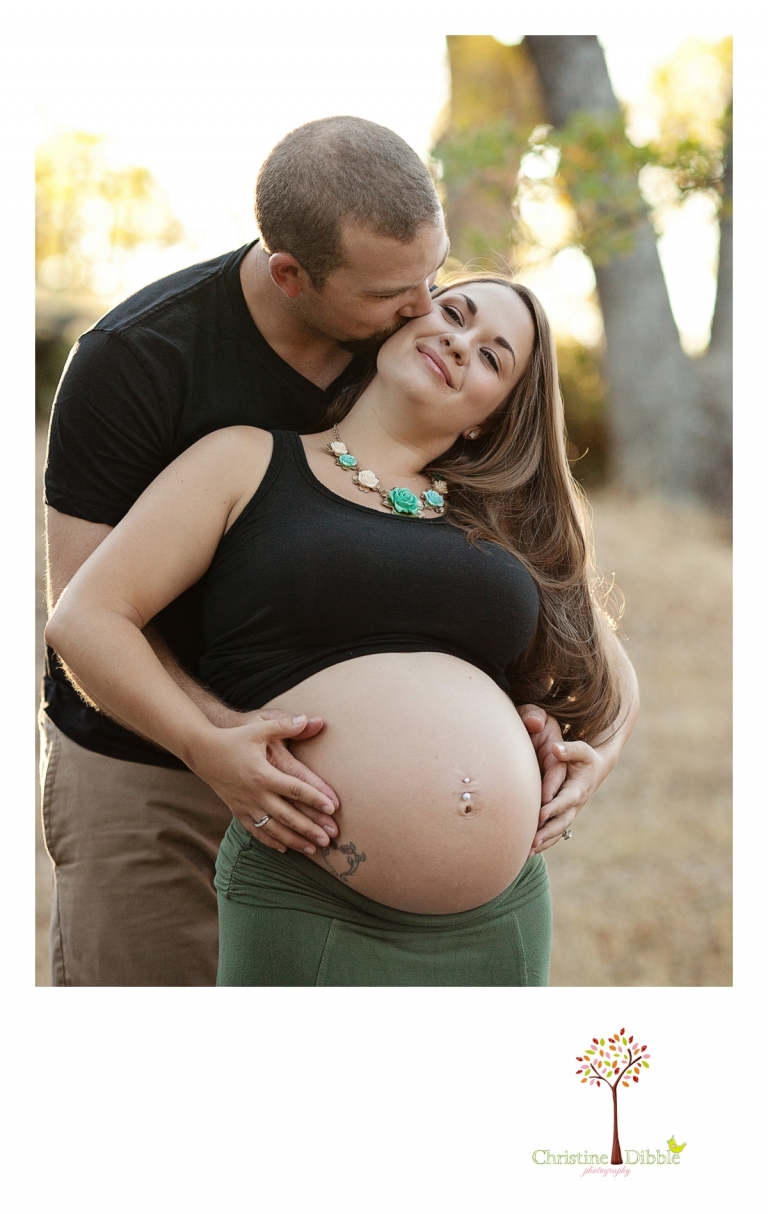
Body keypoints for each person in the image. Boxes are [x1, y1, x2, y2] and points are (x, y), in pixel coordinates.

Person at [42, 115, 635, 987]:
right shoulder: (141, 364)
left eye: (437, 281)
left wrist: (589, 753)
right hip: (149, 755)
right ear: (293, 276)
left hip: (444, 888)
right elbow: (88, 610)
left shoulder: (399, 364)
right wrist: (218, 743)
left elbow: (599, 656)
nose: (427, 311)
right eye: (406, 297)